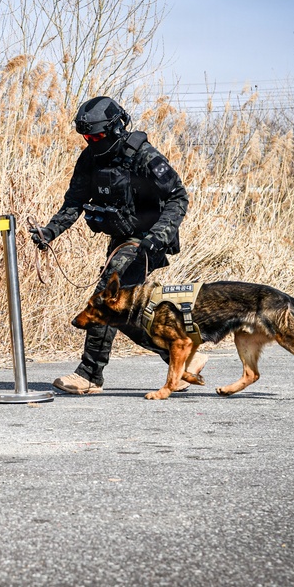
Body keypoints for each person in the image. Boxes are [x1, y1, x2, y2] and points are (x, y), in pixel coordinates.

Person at [30, 96, 205, 394]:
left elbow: (178, 197)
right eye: (86, 136)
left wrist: (157, 238)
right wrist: (50, 232)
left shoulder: (144, 155)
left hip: (147, 241)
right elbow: (74, 203)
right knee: (123, 313)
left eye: (97, 135)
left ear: (115, 128)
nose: (92, 141)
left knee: (105, 300)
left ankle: (89, 375)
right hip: (121, 239)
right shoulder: (90, 158)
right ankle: (181, 354)